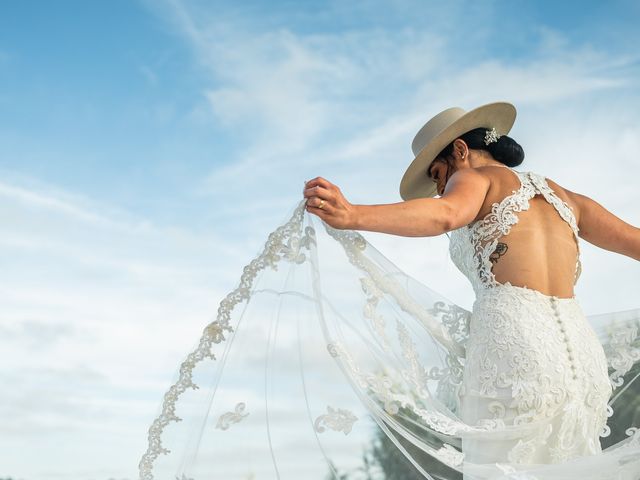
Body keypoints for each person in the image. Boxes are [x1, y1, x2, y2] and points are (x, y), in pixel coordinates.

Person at [139, 102, 640, 480]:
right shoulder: (567, 198)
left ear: (460, 151)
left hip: (517, 349)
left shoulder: (478, 177)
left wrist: (353, 215)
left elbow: (446, 215)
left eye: (439, 174)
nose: (444, 186)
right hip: (579, 356)